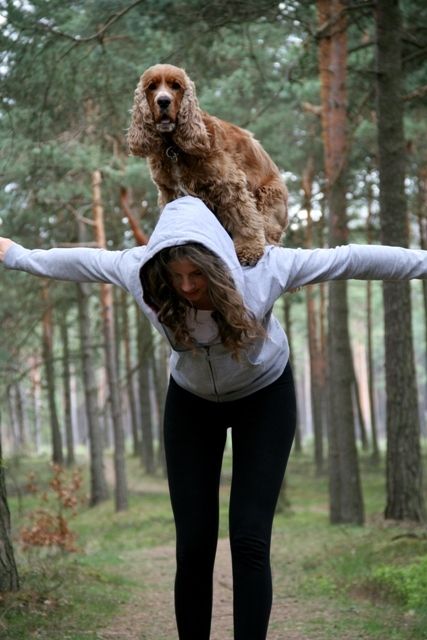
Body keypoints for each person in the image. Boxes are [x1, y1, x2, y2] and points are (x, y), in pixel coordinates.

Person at [1, 195, 427, 640]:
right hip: (192, 402)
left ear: (217, 264)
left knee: (249, 539)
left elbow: (351, 259)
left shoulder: (263, 270)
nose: (186, 286)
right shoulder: (142, 271)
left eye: (197, 274)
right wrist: (17, 255)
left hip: (264, 397)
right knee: (193, 545)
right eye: (177, 275)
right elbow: (85, 262)